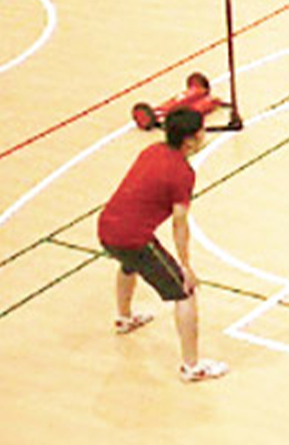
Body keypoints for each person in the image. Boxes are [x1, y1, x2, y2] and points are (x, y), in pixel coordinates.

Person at [97, 108, 229, 383]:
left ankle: (124, 318)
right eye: (201, 131)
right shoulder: (182, 173)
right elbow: (179, 221)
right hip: (132, 238)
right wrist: (185, 267)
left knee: (129, 264)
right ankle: (192, 366)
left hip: (107, 227)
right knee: (184, 291)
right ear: (190, 140)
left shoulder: (152, 151)